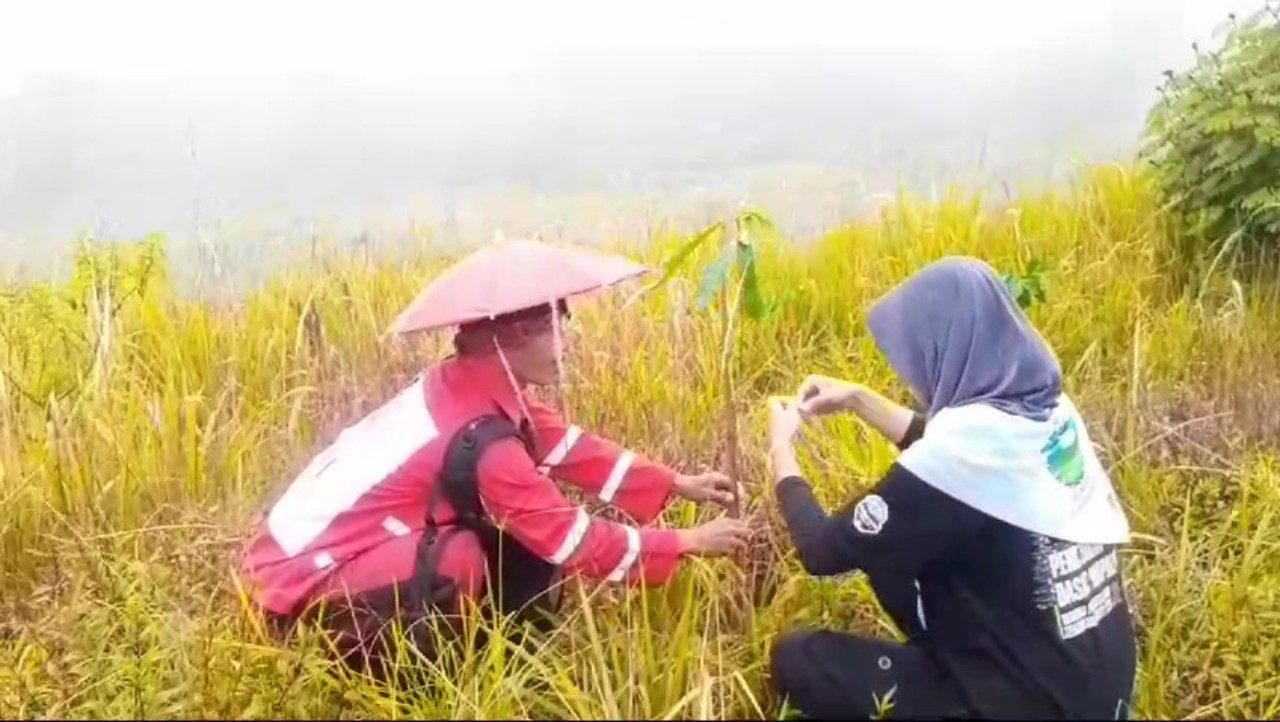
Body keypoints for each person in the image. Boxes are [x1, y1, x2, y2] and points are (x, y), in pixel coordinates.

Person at [241, 239, 748, 676]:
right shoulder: (484, 437)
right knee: (456, 558)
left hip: (288, 556)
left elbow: (565, 445)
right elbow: (571, 538)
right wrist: (685, 541)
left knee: (489, 546)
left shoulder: (465, 387)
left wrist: (676, 483)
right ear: (511, 339)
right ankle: (417, 682)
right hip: (295, 586)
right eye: (556, 327)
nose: (567, 344)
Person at [764, 256, 1136, 719]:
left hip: (1034, 703)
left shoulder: (962, 456)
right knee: (897, 555)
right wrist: (859, 400)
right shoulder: (1047, 410)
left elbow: (820, 552)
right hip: (1101, 689)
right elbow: (959, 457)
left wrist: (781, 448)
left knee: (799, 658)